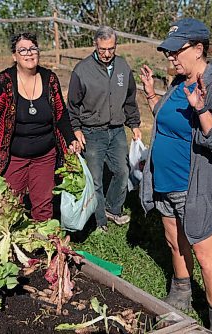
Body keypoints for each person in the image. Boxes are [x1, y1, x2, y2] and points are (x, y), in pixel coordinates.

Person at [139, 18, 212, 334]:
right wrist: (152, 97)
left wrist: (200, 108)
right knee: (174, 241)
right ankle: (181, 292)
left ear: (198, 49)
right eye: (167, 52)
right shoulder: (177, 83)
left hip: (195, 186)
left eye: (176, 51)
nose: (170, 58)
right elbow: (170, 122)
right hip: (167, 182)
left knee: (206, 256)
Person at [0, 32, 79, 222]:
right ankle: (11, 242)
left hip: (45, 155)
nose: (29, 54)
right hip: (13, 156)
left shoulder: (50, 79)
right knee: (9, 203)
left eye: (32, 48)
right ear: (14, 56)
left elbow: (61, 113)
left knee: (43, 204)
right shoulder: (4, 81)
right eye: (23, 50)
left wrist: (71, 139)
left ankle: (44, 245)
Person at [67, 26, 141, 231]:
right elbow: (72, 105)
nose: (107, 54)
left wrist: (133, 124)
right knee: (96, 179)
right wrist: (76, 129)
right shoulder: (82, 71)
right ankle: (100, 221)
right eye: (102, 50)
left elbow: (130, 99)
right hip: (92, 132)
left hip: (116, 129)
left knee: (122, 172)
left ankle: (112, 209)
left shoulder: (123, 67)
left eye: (111, 49)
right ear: (95, 45)